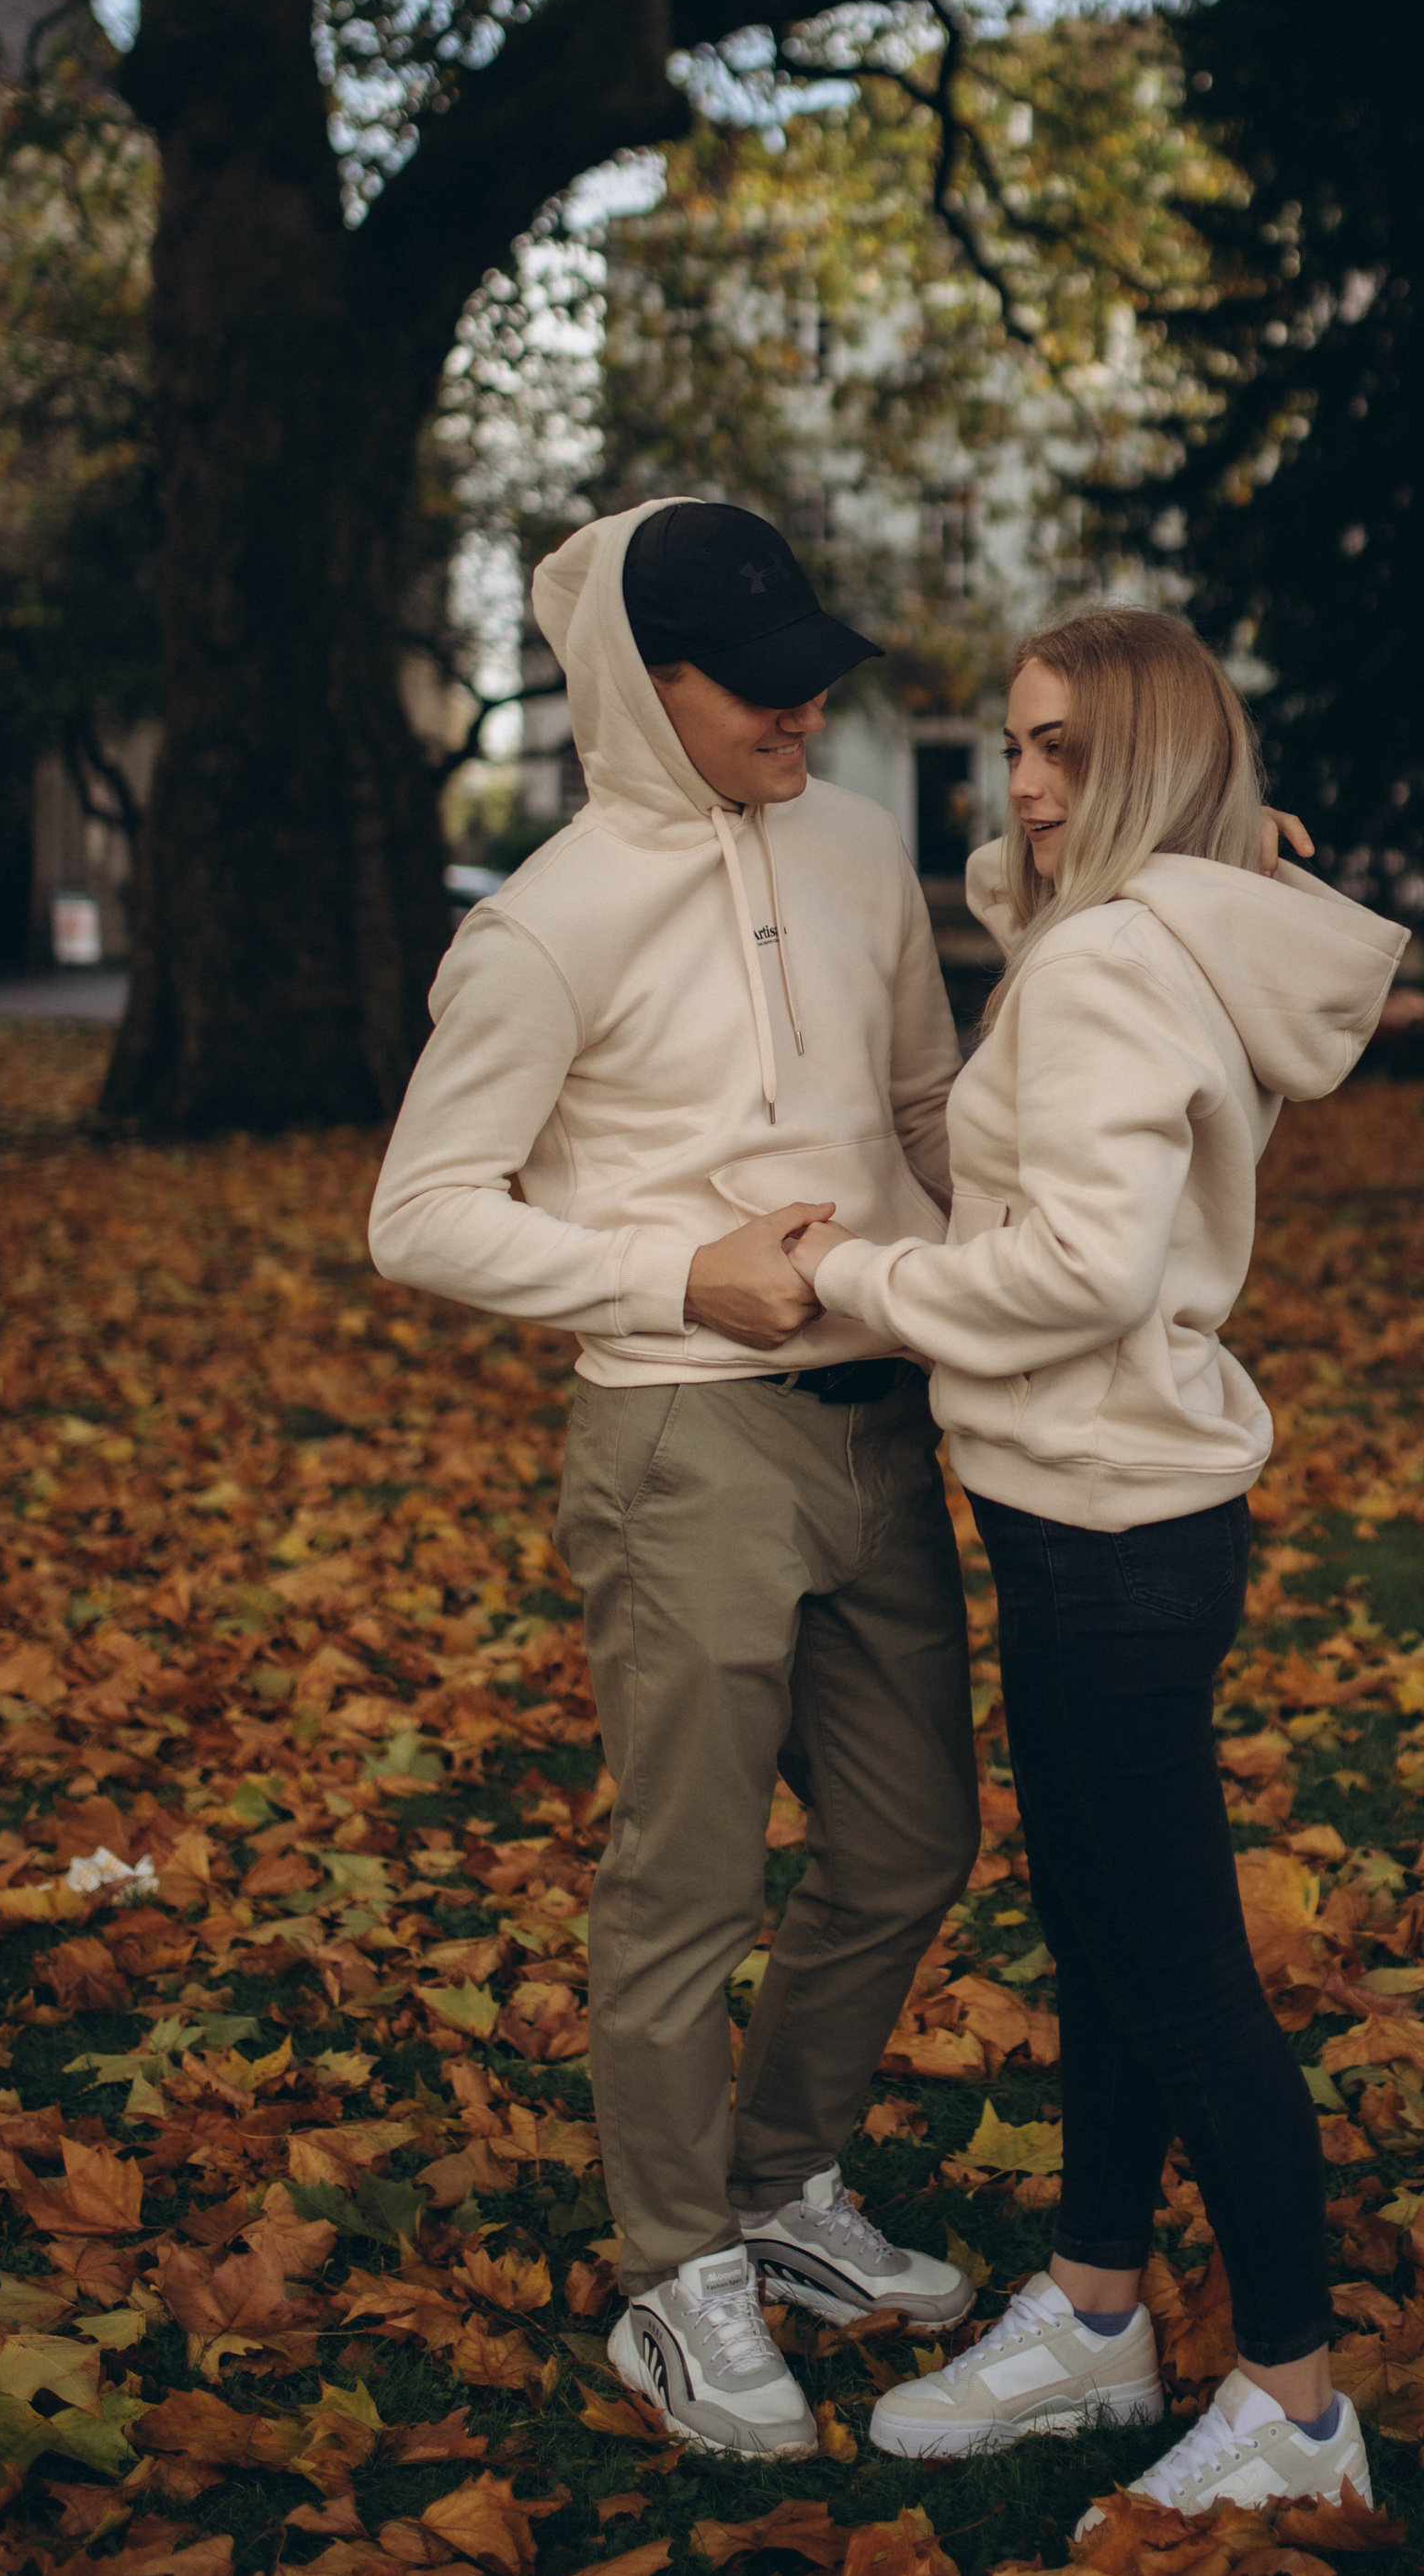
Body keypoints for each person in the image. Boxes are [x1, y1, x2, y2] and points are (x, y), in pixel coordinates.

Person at [368, 498, 981, 2459]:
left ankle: (774, 2191)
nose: (803, 705)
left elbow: (914, 1110)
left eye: (815, 671)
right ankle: (672, 2278)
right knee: (689, 1883)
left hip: (878, 1414)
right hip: (678, 1434)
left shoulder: (862, 847)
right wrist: (665, 1272)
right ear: (645, 685)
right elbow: (420, 1216)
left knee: (905, 1849)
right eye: (760, 684)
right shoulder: (541, 922)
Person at [784, 607, 1407, 2525]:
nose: (1017, 788)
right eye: (1011, 747)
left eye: (1057, 753)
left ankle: (1295, 2412)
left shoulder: (1109, 971)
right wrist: (1191, 836)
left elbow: (1073, 1268)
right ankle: (1093, 2308)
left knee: (1172, 1971)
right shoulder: (1145, 934)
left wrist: (848, 1278)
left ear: (1130, 764)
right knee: (1109, 1945)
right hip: (1113, 1517)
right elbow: (1043, 910)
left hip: (1113, 1532)